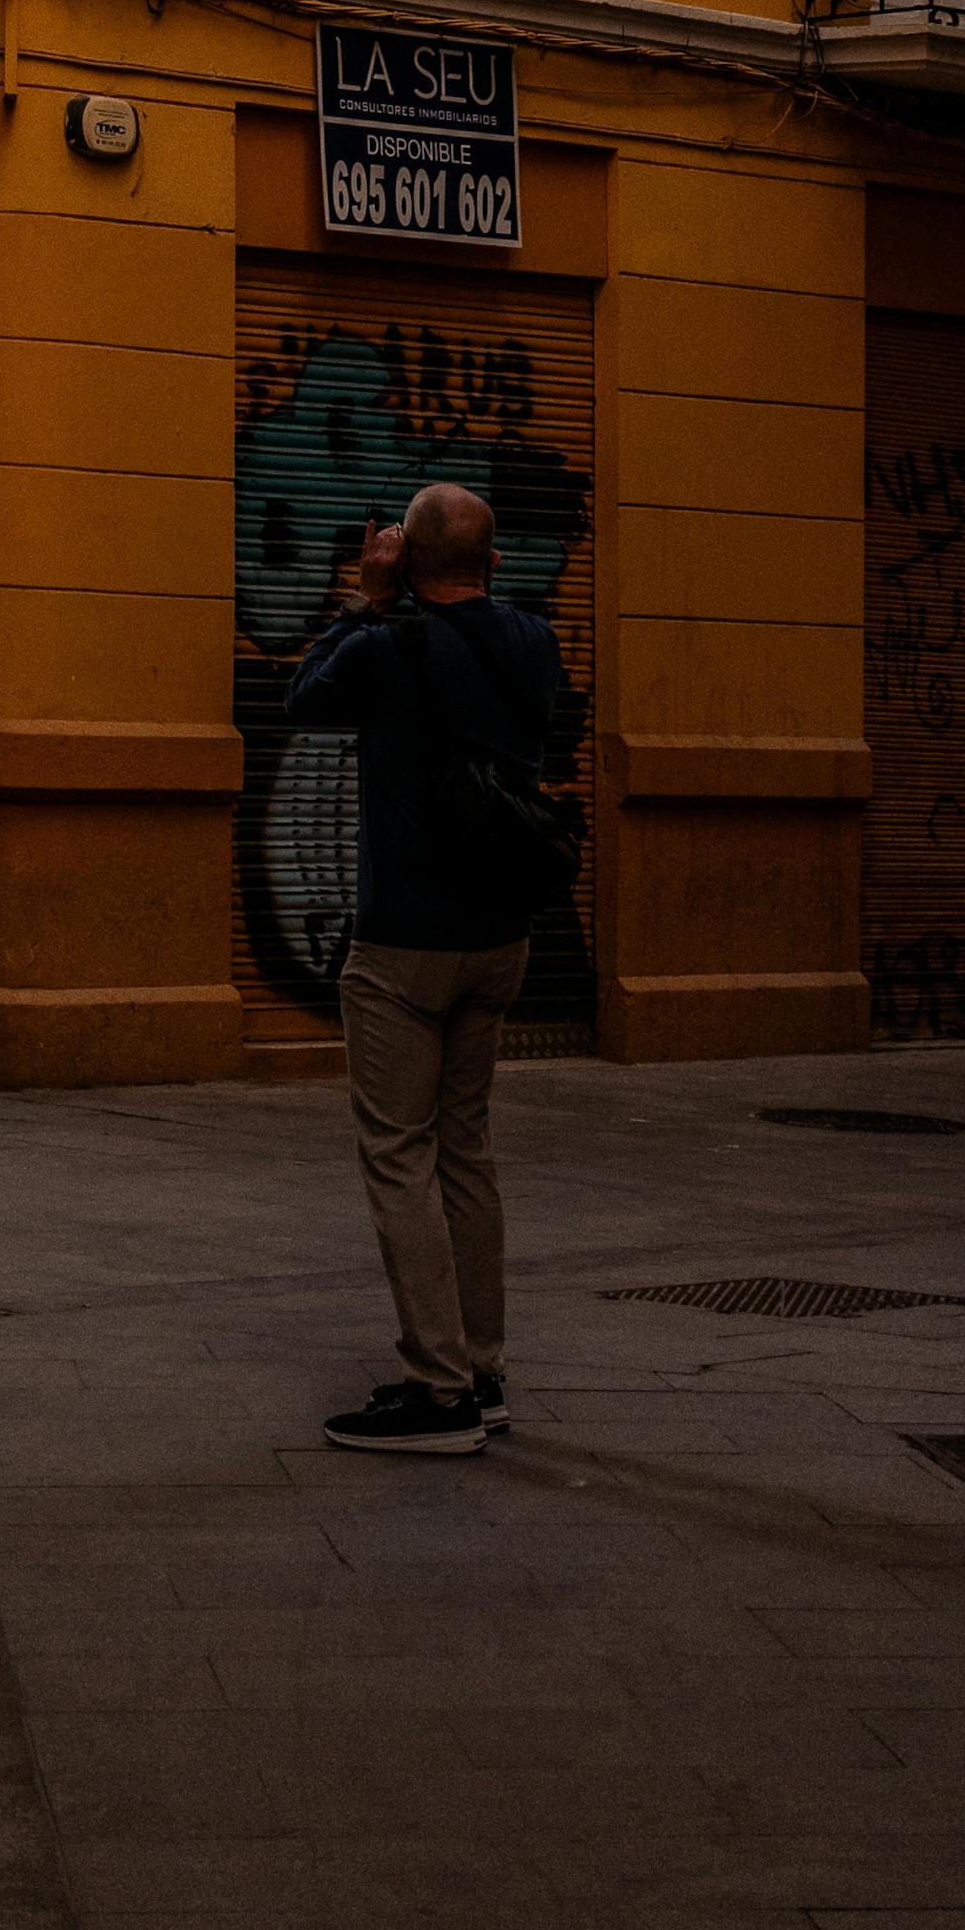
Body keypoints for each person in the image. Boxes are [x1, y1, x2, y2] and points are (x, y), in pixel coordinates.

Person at [288, 474, 578, 1455]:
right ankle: (483, 1368)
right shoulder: (538, 644)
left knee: (398, 1154)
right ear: (494, 560)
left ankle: (439, 1388)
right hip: (500, 939)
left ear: (406, 558)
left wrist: (368, 598)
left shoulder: (387, 645)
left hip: (404, 945)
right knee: (468, 1148)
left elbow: (301, 696)